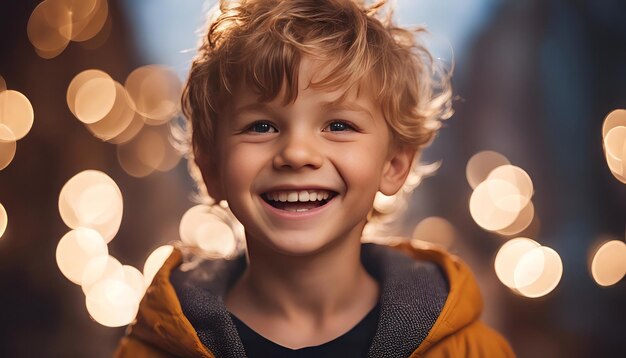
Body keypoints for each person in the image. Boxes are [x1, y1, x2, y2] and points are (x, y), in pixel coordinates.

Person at [116, 0, 515, 356]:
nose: (297, 153)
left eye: (338, 124)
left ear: (393, 165)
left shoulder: (469, 350)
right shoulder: (154, 349)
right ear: (212, 169)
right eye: (261, 126)